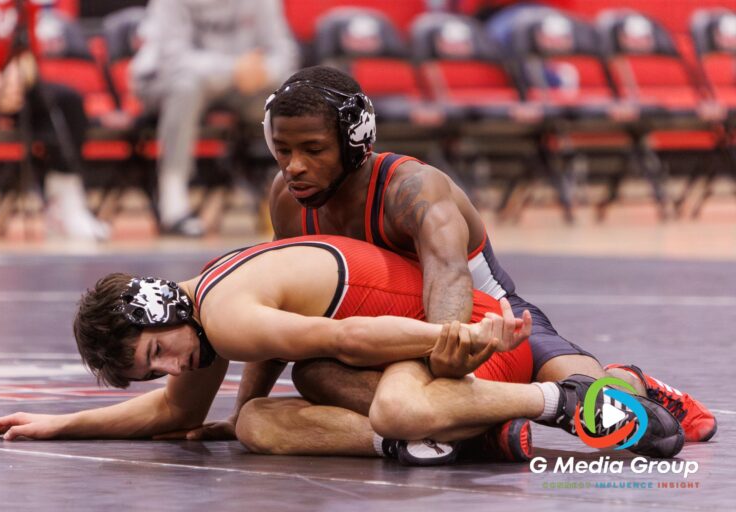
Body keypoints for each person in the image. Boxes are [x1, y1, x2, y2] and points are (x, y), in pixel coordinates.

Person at [217, 65, 715, 448]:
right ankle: (477, 429)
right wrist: (245, 408)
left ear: (356, 144)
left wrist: (446, 355)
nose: (295, 167)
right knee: (315, 371)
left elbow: (449, 275)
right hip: (393, 333)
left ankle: (634, 381)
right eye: (282, 150)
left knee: (597, 397)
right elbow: (279, 312)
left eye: (313, 150)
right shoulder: (287, 199)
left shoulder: (411, 189)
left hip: (491, 321)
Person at [0, 234, 685, 461]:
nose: (174, 367)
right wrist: (57, 423)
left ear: (160, 309)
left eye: (158, 350)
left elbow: (352, 334)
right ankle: (462, 436)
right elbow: (171, 413)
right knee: (255, 420)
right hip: (411, 344)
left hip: (454, 334)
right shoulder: (199, 311)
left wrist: (458, 336)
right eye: (153, 368)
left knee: (400, 408)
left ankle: (558, 401)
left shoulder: (223, 318)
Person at [131, 0, 299, 236]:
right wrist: (235, 69)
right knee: (186, 87)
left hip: (239, 83)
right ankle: (173, 200)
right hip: (166, 81)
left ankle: (289, 191)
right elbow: (174, 59)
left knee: (288, 93)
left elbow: (284, 52)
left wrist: (265, 71)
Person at [0, 0, 109, 241]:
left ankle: (64, 205)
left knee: (67, 101)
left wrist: (16, 78)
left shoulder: (22, 6)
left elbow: (30, 57)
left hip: (10, 87)